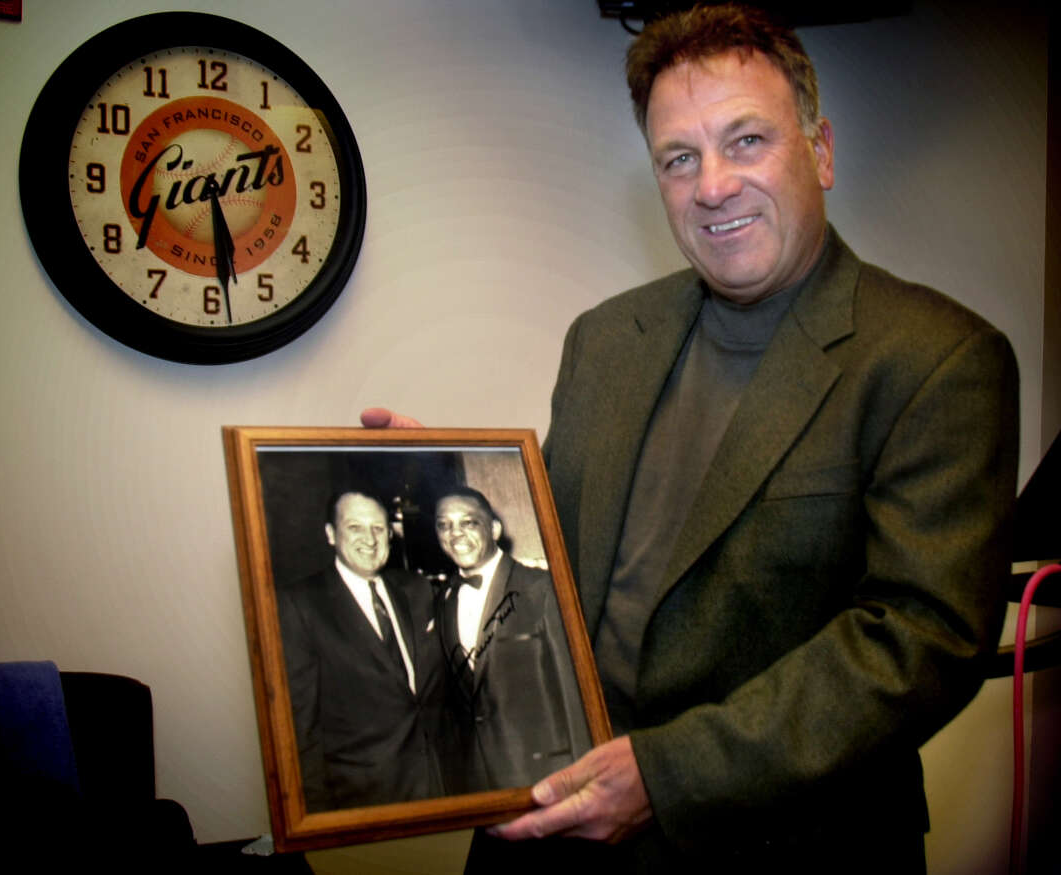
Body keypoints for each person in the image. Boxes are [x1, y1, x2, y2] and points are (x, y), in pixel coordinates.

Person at [364, 3, 1019, 871]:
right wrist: (461, 493)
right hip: (553, 829)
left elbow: (920, 639)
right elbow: (559, 566)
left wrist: (668, 774)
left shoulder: (938, 359)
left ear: (820, 152)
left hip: (779, 843)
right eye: (680, 158)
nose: (712, 184)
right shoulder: (604, 338)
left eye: (747, 141)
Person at [275, 490, 447, 812]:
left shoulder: (417, 590)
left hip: (438, 785)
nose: (369, 539)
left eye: (378, 528)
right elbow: (301, 727)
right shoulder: (301, 604)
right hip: (360, 798)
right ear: (330, 534)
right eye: (355, 527)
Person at [432, 487, 591, 793]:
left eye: (468, 522)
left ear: (494, 528)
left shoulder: (543, 588)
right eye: (444, 525)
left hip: (547, 776)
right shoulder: (442, 601)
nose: (455, 534)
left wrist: (584, 779)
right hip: (481, 783)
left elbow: (575, 694)